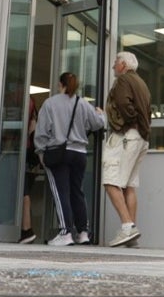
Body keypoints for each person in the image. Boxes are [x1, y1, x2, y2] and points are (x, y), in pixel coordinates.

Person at [34, 72, 105, 246]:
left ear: (60, 84)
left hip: (58, 153)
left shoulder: (50, 103)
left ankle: (65, 232)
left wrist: (41, 152)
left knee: (61, 192)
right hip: (79, 153)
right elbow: (98, 124)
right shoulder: (83, 103)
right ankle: (83, 232)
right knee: (77, 192)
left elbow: (42, 131)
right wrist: (102, 115)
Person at [102, 51, 152, 248]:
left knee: (110, 180)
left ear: (123, 65)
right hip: (141, 137)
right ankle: (131, 233)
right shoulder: (142, 83)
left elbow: (123, 104)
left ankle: (126, 227)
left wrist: (126, 122)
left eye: (116, 62)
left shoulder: (123, 81)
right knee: (129, 185)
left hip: (126, 136)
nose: (114, 65)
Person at [19, 96, 39, 244]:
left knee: (23, 191)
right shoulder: (31, 103)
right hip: (31, 157)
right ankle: (25, 229)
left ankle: (27, 229)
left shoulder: (24, 101)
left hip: (22, 152)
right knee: (24, 191)